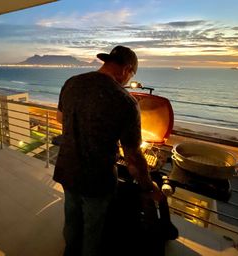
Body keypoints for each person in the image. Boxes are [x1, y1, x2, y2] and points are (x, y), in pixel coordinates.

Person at [53, 45, 163, 256]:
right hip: (96, 180)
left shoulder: (72, 82)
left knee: (72, 218)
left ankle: (69, 251)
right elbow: (132, 156)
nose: (128, 81)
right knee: (93, 230)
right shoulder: (125, 101)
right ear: (127, 69)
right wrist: (148, 187)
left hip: (67, 169)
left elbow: (61, 118)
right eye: (131, 75)